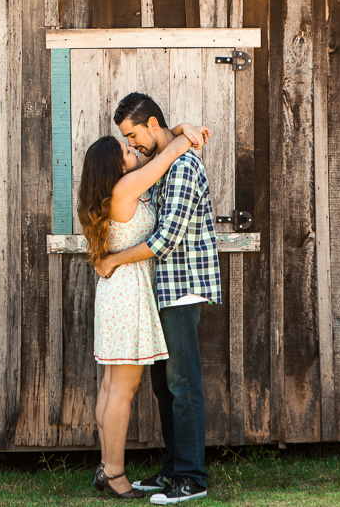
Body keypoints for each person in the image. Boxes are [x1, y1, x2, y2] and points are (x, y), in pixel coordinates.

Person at [94, 92, 221, 505]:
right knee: (166, 389)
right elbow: (168, 146)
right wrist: (183, 129)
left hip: (181, 290)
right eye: (126, 142)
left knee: (183, 386)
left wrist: (112, 259)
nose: (133, 146)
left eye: (133, 136)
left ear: (151, 124)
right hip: (156, 294)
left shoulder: (181, 167)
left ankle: (191, 477)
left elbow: (165, 239)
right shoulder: (157, 166)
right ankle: (172, 470)